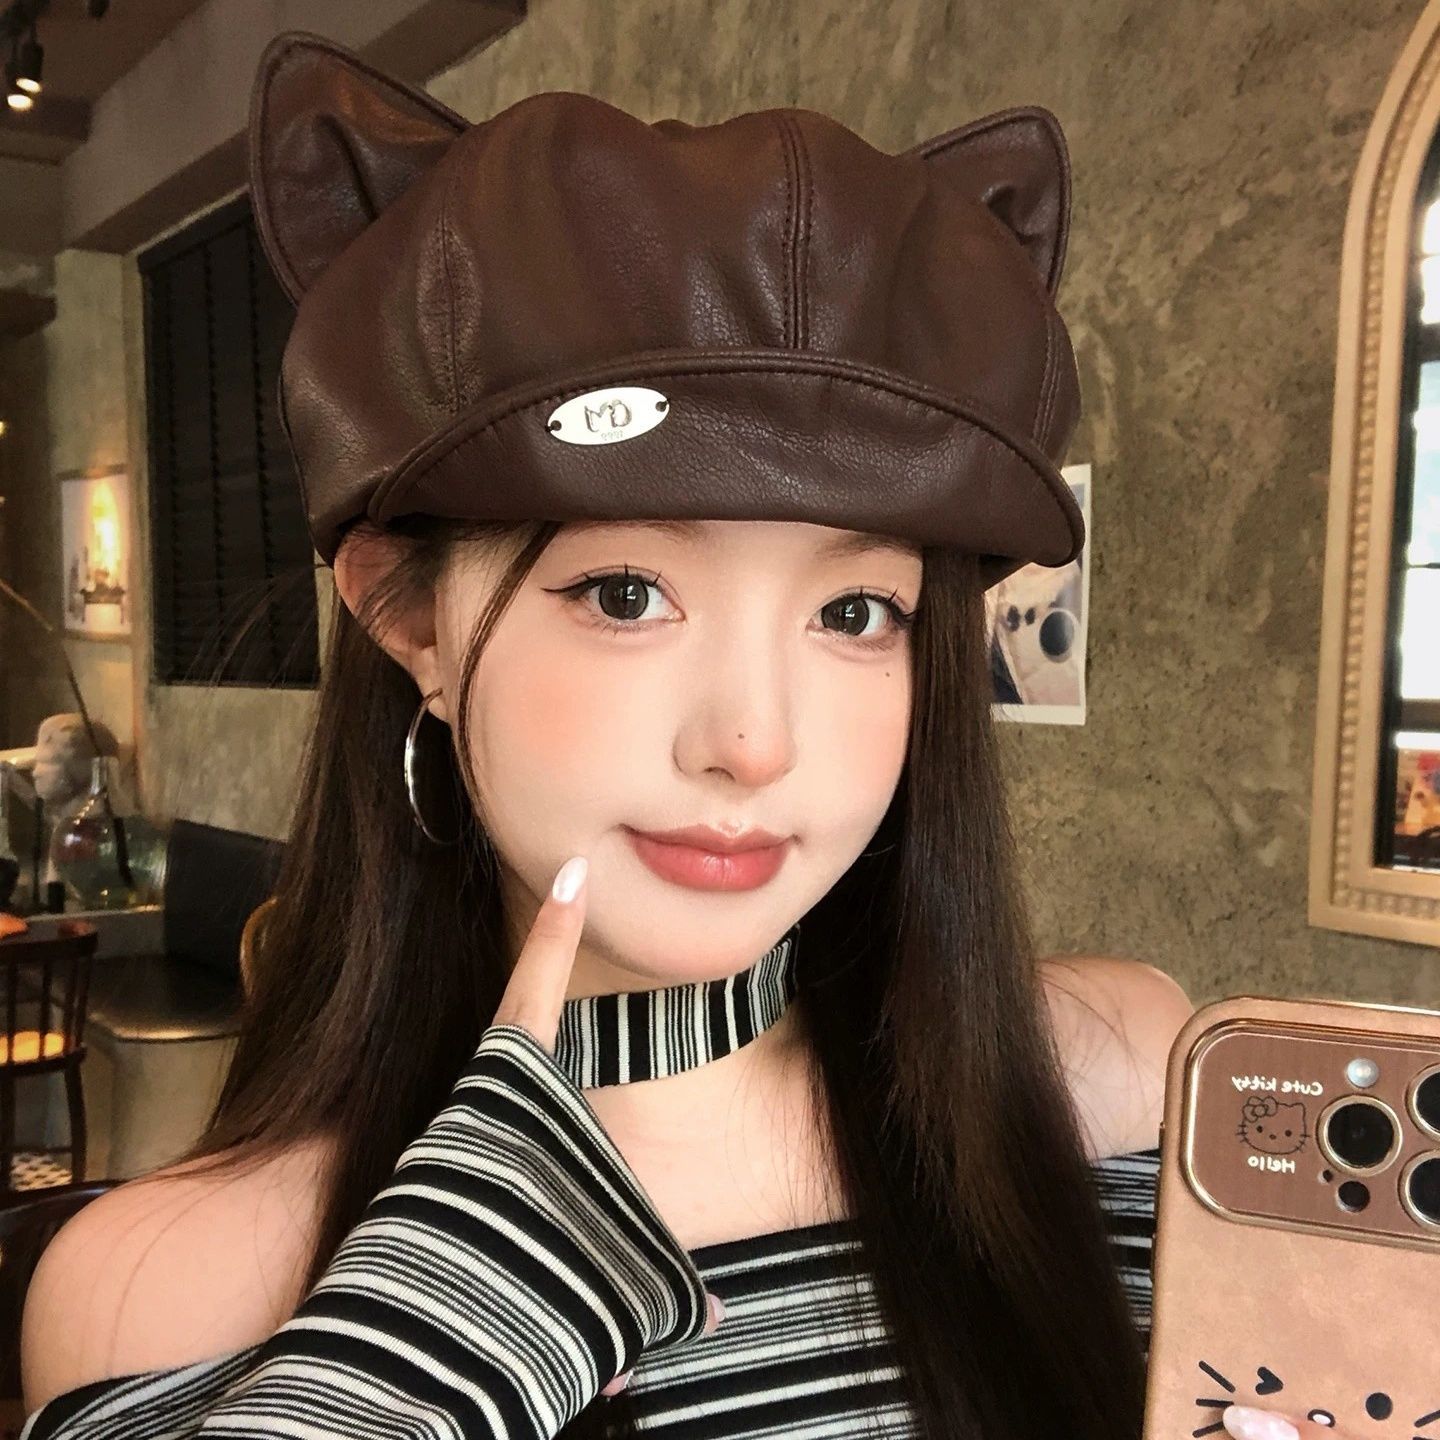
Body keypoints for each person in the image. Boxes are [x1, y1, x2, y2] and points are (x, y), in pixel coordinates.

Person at [19, 28, 1197, 1440]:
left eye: (857, 614)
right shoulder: (164, 1295)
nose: (753, 743)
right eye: (628, 593)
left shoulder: (1124, 1089)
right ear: (409, 617)